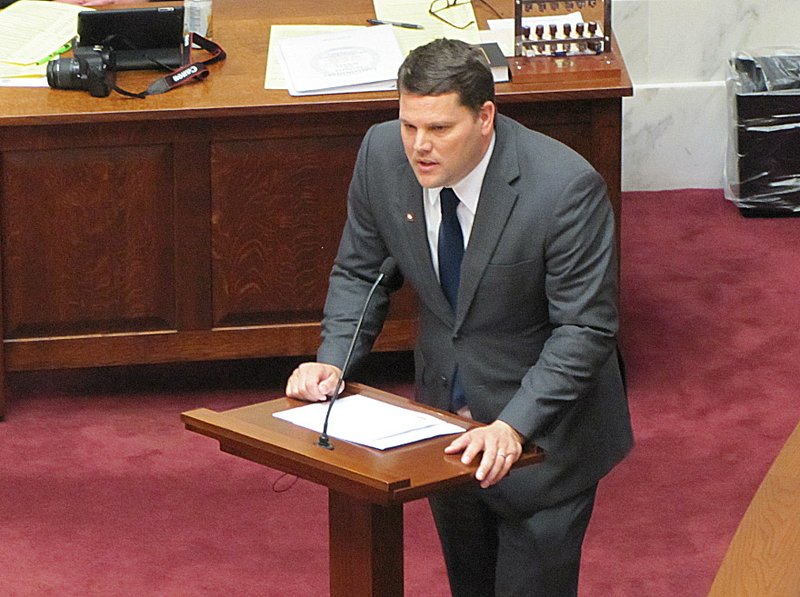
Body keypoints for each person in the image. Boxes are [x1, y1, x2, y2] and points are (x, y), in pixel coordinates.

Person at [286, 38, 633, 597]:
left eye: (440, 129)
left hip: (545, 442)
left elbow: (585, 329)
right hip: (446, 431)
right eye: (408, 125)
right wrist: (334, 362)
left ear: (486, 118)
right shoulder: (381, 154)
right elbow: (361, 270)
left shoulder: (564, 188)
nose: (419, 147)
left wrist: (514, 425)